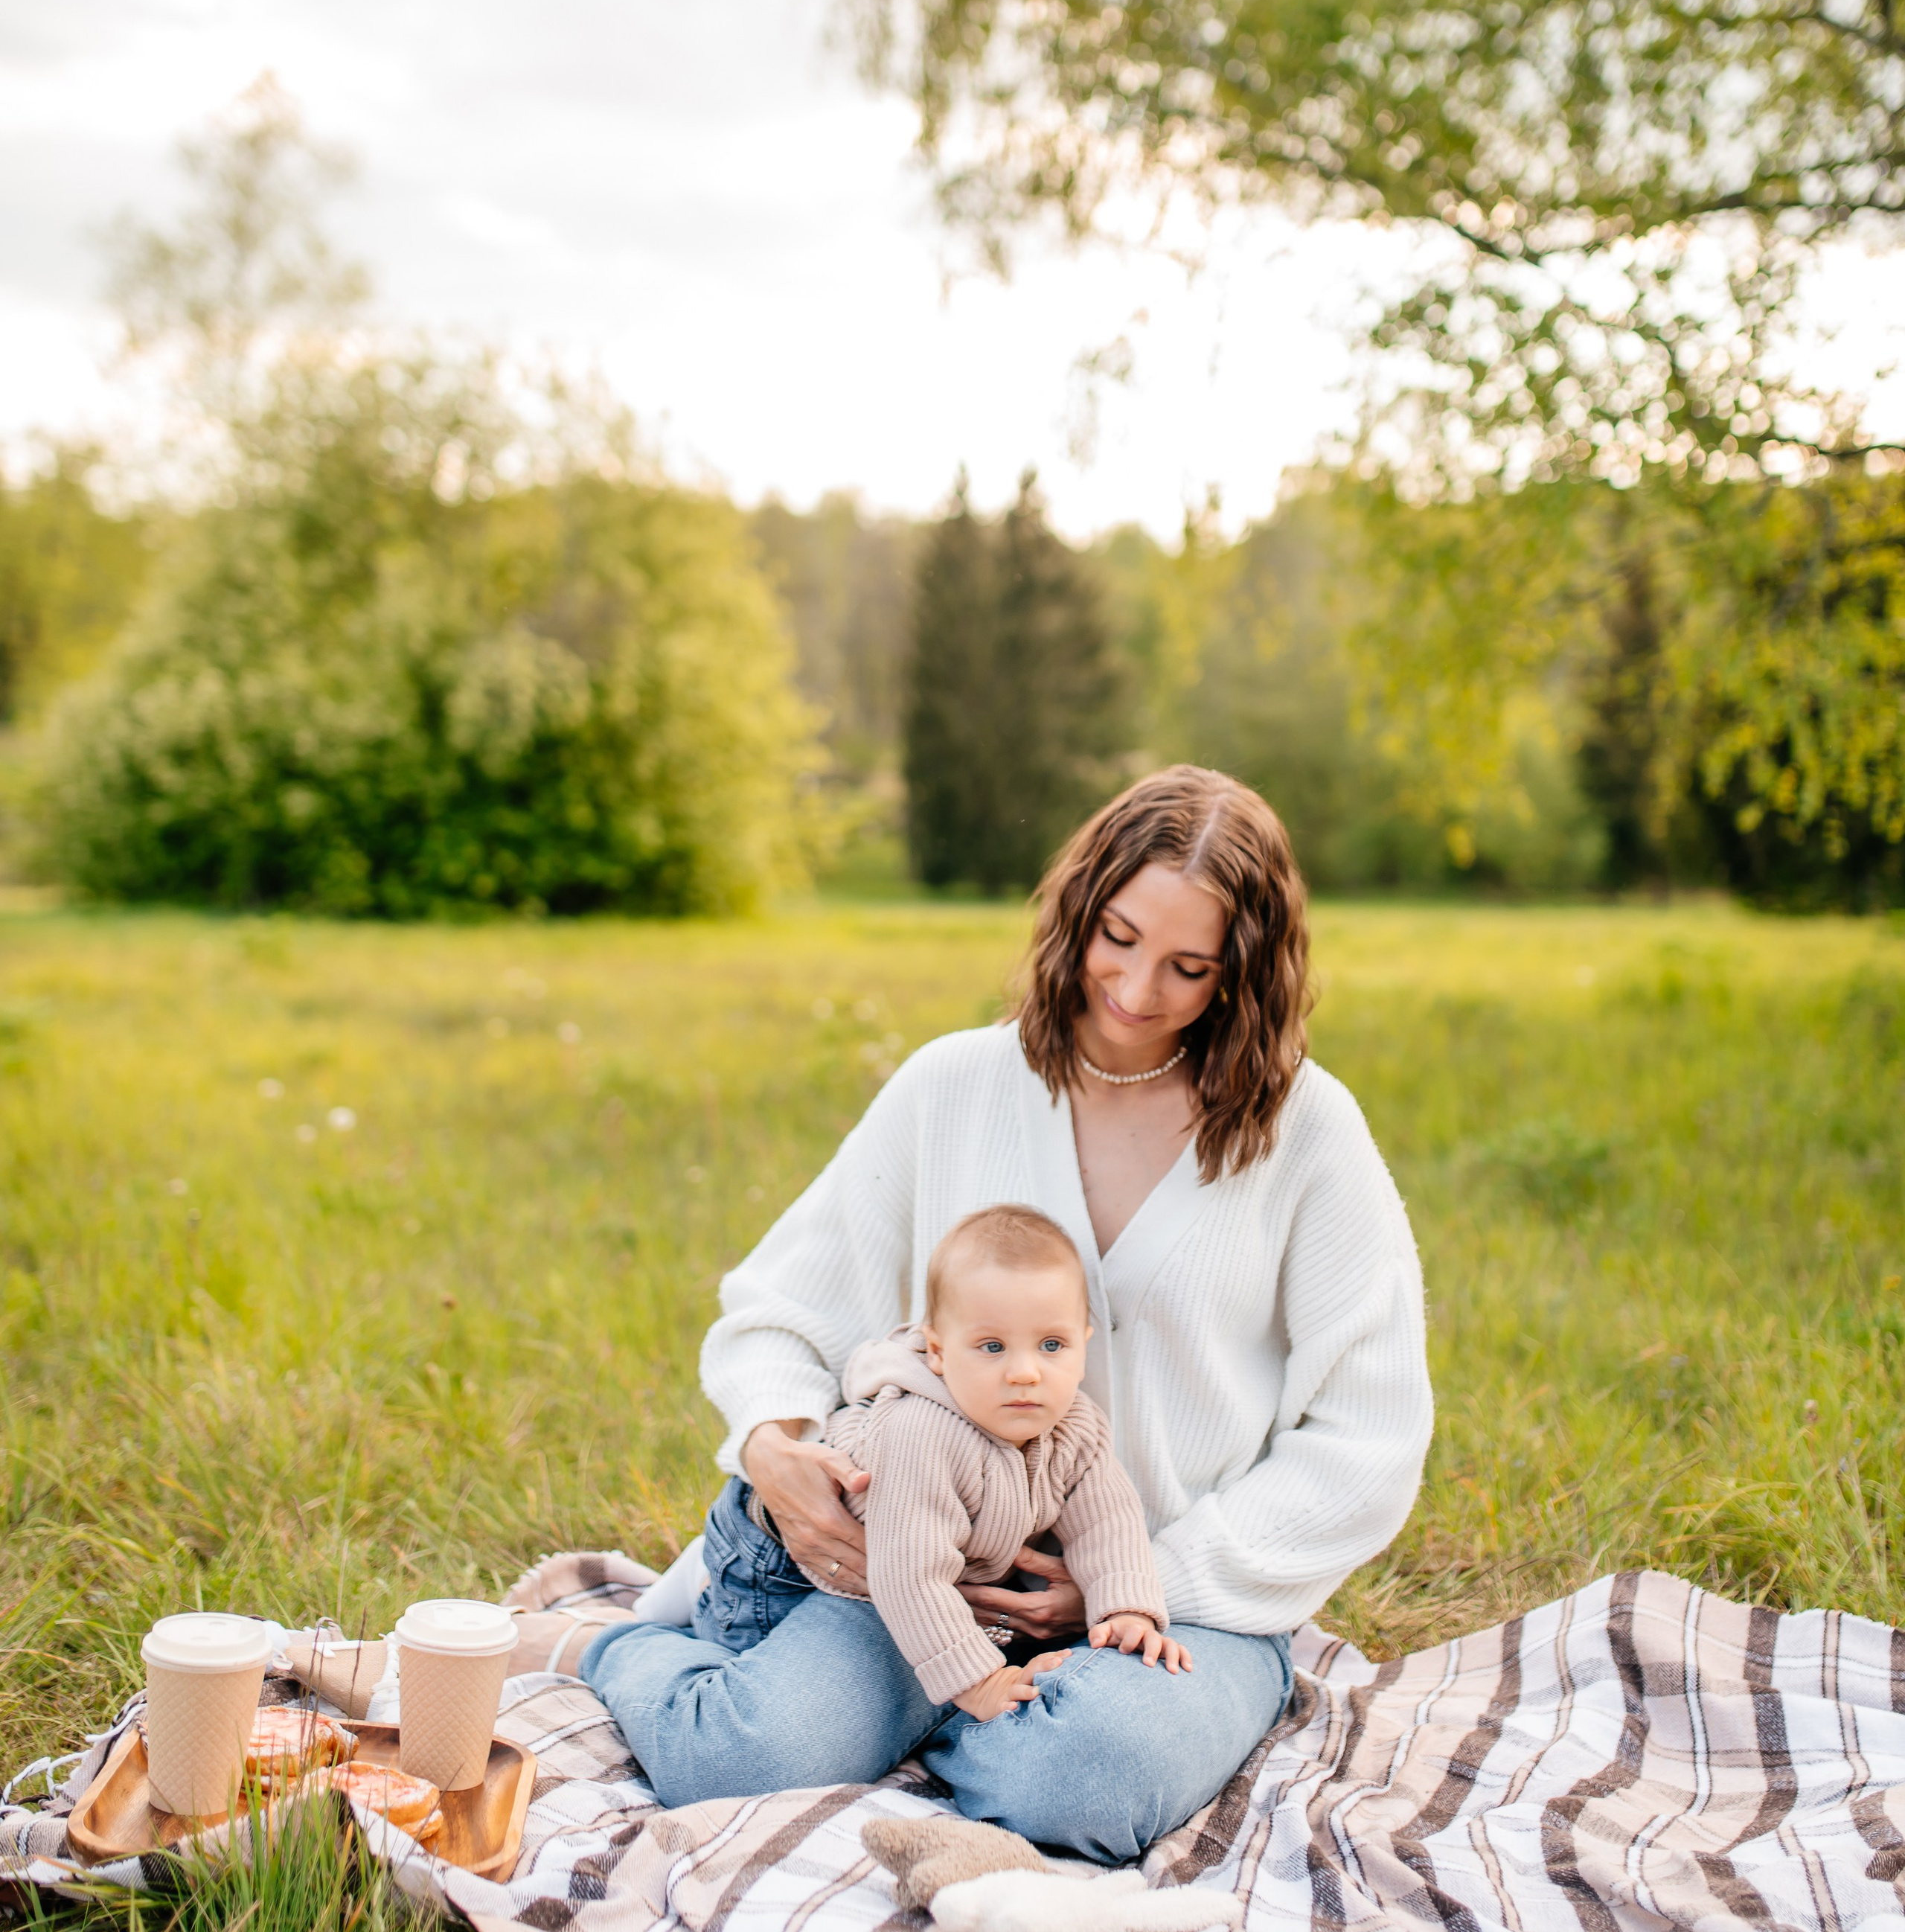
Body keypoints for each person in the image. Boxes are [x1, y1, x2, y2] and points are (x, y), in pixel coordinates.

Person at [581, 764, 1433, 1863]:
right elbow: (779, 1309)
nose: (1134, 988)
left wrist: (1138, 1583)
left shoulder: (1306, 1135)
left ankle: (947, 1730)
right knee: (730, 1763)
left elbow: (1369, 1443)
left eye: (1189, 966)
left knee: (1082, 1779)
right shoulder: (955, 1086)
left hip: (1172, 1607)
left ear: (1245, 974)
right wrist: (771, 1444)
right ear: (1080, 906)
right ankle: (633, 1658)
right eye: (1117, 936)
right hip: (918, 1574)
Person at [696, 1200, 1191, 1718]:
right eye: (993, 1347)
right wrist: (979, 1681)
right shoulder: (920, 1434)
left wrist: (1127, 1610)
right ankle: (640, 1641)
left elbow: (1107, 1523)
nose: (1025, 1372)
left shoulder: (1076, 1427)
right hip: (780, 1561)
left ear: (1083, 1345)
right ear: (937, 1350)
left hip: (890, 1577)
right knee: (744, 1682)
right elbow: (914, 1575)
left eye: (1051, 1344)